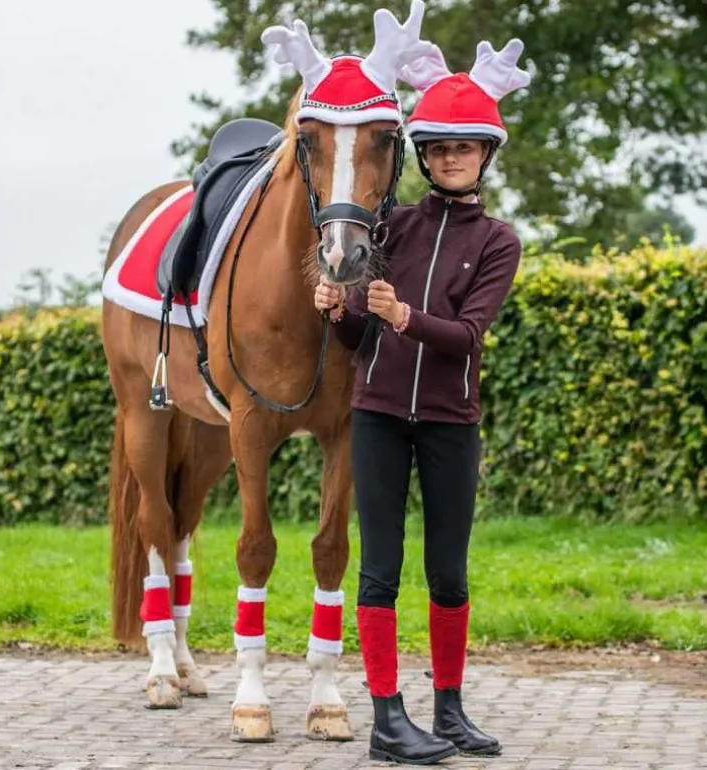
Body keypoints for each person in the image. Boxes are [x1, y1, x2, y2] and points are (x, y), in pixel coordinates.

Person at [314, 39, 532, 765]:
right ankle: (385, 719)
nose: (450, 160)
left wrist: (404, 316)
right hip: (377, 417)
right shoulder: (394, 226)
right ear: (426, 157)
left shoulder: (500, 242)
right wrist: (337, 308)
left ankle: (450, 711)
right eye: (438, 150)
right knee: (379, 569)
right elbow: (353, 339)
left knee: (448, 572)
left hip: (449, 424)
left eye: (464, 150)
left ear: (484, 157)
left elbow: (467, 337)